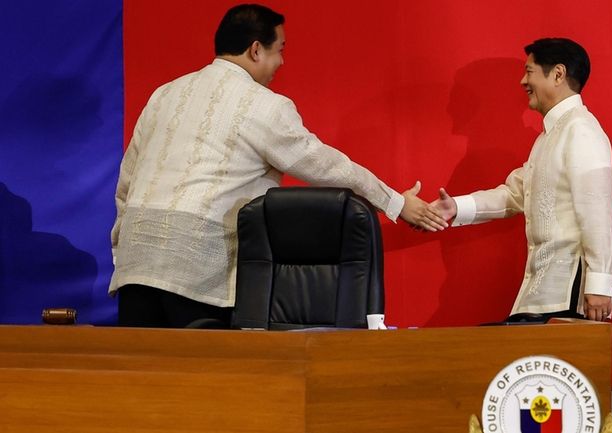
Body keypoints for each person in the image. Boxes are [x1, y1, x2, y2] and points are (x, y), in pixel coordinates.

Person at [109, 4, 446, 328]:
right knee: (200, 380)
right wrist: (397, 204)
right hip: (198, 265)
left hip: (135, 259)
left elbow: (127, 181)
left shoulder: (165, 94)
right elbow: (327, 166)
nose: (281, 61)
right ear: (256, 49)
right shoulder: (264, 106)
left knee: (142, 379)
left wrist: (120, 250)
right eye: (279, 50)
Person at [432, 38, 612, 322]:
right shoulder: (547, 137)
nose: (522, 81)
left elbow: (598, 211)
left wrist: (600, 285)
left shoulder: (581, 130)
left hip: (566, 292)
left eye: (529, 71)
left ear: (557, 74)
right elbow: (516, 193)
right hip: (538, 294)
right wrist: (454, 208)